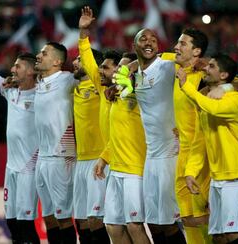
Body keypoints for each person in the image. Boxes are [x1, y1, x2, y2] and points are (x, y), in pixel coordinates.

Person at [181, 53, 238, 244]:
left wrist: (186, 86)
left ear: (223, 75)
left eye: (211, 66)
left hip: (236, 175)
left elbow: (213, 108)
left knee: (234, 234)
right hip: (217, 177)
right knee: (218, 237)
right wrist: (190, 172)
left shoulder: (234, 98)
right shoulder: (207, 104)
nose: (206, 68)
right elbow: (199, 142)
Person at [0, 25, 40, 244]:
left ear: (32, 71)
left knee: (26, 223)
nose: (13, 69)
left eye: (18, 66)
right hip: (10, 169)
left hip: (29, 169)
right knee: (12, 222)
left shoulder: (43, 95)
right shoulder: (10, 91)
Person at [131, 28, 186, 243]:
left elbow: (197, 64)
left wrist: (231, 84)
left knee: (170, 222)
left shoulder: (167, 66)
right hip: (151, 156)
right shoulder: (133, 75)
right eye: (143, 38)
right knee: (153, 222)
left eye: (154, 40)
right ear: (134, 45)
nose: (149, 42)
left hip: (170, 155)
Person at [94, 51, 151, 244]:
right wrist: (104, 158)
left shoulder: (143, 96)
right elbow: (116, 135)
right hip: (116, 170)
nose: (120, 70)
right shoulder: (116, 97)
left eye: (124, 68)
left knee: (134, 226)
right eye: (119, 67)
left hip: (135, 169)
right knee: (112, 226)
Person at [34, 41, 78, 243]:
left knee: (63, 217)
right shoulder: (39, 83)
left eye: (44, 53)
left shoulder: (67, 79)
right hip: (42, 158)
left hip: (61, 157)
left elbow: (92, 76)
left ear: (57, 61)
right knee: (49, 218)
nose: (39, 55)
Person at [171, 28, 211, 244]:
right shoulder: (178, 71)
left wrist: (207, 63)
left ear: (197, 51)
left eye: (182, 44)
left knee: (203, 217)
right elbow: (157, 56)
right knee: (186, 218)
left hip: (201, 156)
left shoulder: (205, 77)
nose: (176, 47)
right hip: (182, 154)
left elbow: (236, 82)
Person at [72, 51, 110, 244]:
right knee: (82, 220)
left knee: (96, 220)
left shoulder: (100, 88)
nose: (73, 62)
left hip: (98, 160)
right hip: (80, 160)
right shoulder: (74, 87)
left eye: (79, 59)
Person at [78, 6, 122, 145]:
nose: (100, 71)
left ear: (118, 70)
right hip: (107, 157)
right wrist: (84, 31)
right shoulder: (102, 86)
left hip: (127, 157)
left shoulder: (129, 90)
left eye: (105, 68)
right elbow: (86, 59)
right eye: (101, 67)